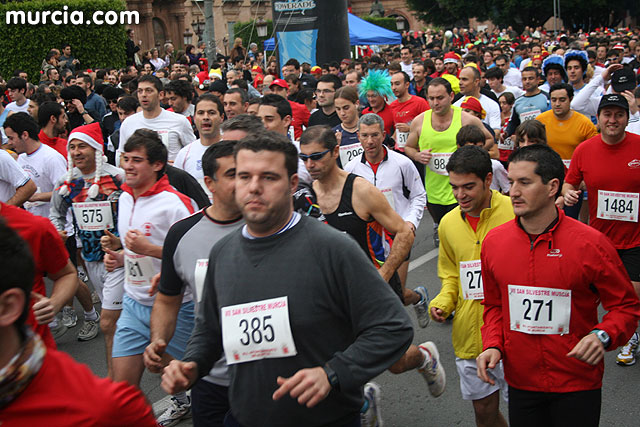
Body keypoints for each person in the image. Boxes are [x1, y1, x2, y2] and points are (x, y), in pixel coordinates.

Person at [161, 131, 416, 427]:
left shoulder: (333, 248)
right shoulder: (222, 253)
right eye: (244, 177)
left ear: (292, 183)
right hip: (247, 417)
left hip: (324, 418)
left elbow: (393, 327)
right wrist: (192, 364)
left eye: (268, 177)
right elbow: (209, 331)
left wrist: (333, 373)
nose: (254, 188)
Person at [477, 144, 640, 426]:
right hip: (522, 382)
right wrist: (493, 345)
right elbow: (494, 305)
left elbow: (625, 306)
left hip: (577, 382)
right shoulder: (494, 243)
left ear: (553, 186)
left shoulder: (591, 244)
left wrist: (604, 334)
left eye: (524, 183)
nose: (513, 191)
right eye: (511, 181)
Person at [300, 126, 446, 412]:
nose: (309, 165)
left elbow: (404, 233)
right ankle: (362, 402)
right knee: (328, 353)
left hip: (374, 285)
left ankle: (423, 357)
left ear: (335, 152)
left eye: (316, 157)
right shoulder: (305, 196)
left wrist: (381, 275)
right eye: (304, 158)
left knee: (395, 362)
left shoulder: (361, 190)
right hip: (334, 293)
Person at [0, 222, 157, 426]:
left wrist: (55, 304)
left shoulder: (100, 410)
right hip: (99, 262)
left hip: (134, 281)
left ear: (8, 307)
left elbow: (66, 273)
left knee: (110, 323)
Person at [144, 141, 244, 427]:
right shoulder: (182, 234)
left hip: (264, 376)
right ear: (210, 183)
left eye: (248, 174)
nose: (245, 183)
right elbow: (167, 298)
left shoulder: (270, 226)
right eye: (234, 175)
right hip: (208, 377)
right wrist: (159, 339)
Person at [104, 129, 197, 425]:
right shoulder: (125, 198)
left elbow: (195, 256)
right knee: (123, 389)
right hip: (133, 303)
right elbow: (135, 250)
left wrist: (150, 249)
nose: (128, 166)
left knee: (198, 381)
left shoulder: (175, 203)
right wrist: (120, 256)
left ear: (157, 165)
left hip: (176, 307)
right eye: (125, 159)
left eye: (137, 160)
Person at [429, 145, 513, 427]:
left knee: (529, 412)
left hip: (513, 334)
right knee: (484, 414)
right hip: (470, 334)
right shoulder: (448, 223)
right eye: (454, 187)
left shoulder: (516, 212)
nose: (460, 195)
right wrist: (443, 301)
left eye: (468, 187)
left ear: (488, 180)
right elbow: (451, 274)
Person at [562, 94, 640, 367]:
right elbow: (569, 184)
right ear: (599, 118)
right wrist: (569, 194)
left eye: (619, 114)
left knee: (631, 293)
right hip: (598, 239)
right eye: (607, 114)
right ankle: (584, 336)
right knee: (587, 295)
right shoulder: (585, 150)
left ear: (626, 118)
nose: (613, 120)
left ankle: (630, 335)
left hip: (635, 239)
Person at [49, 122, 125, 376]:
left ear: (95, 148)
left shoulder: (117, 177)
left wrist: (123, 242)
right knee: (120, 321)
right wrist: (58, 231)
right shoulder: (66, 182)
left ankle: (117, 382)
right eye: (72, 147)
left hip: (120, 259)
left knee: (108, 322)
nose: (77, 151)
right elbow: (55, 213)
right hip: (91, 260)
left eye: (82, 146)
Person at [343, 114, 429, 324]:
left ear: (384, 135)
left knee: (394, 296)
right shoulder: (351, 169)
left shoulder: (402, 163)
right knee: (376, 294)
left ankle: (417, 298)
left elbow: (419, 195)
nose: (370, 141)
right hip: (369, 239)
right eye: (365, 136)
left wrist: (410, 223)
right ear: (358, 136)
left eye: (374, 135)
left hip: (398, 234)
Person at [404, 78, 493, 247]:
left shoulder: (465, 119)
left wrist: (469, 155)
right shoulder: (420, 121)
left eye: (440, 98)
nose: (435, 103)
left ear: (451, 96)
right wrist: (417, 156)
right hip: (434, 190)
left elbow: (488, 139)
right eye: (431, 98)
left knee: (461, 237)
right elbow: (408, 147)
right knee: (443, 227)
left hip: (462, 189)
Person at [117, 75, 196, 165]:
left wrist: (178, 165)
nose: (143, 95)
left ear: (161, 95)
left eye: (149, 91)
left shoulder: (180, 121)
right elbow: (122, 155)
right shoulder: (128, 123)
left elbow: (193, 152)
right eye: (140, 91)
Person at [174, 94, 224, 199]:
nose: (206, 117)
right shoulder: (184, 154)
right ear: (194, 118)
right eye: (201, 113)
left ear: (221, 117)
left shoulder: (233, 149)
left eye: (211, 113)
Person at [257, 94, 311, 185]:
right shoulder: (250, 154)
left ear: (286, 121)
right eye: (259, 120)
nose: (263, 126)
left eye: (269, 120)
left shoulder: (304, 153)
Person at [456, 125, 510, 194]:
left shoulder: (494, 166)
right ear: (459, 147)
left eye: (480, 147)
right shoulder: (455, 168)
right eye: (470, 148)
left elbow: (507, 189)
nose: (475, 152)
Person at [454, 66, 501, 137]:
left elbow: (496, 132)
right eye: (459, 79)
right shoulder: (455, 106)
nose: (460, 83)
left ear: (476, 82)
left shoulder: (491, 105)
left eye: (464, 79)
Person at [504, 67, 550, 137]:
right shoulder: (518, 102)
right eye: (524, 79)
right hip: (525, 141)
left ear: (538, 79)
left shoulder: (547, 98)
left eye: (531, 78)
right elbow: (513, 122)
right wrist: (506, 133)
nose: (527, 81)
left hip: (544, 139)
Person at [389, 71, 429, 151]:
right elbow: (396, 129)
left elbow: (430, 126)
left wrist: (410, 129)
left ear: (407, 85)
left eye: (397, 84)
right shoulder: (392, 106)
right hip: (399, 151)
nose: (393, 88)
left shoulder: (420, 102)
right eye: (392, 84)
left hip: (416, 151)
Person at [360, 69, 396, 139]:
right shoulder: (364, 113)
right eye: (368, 96)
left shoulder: (393, 112)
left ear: (383, 95)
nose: (370, 99)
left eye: (374, 96)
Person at [332, 86, 362, 168]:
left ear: (356, 104)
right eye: (338, 109)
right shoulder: (333, 134)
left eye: (346, 108)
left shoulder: (370, 128)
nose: (342, 113)